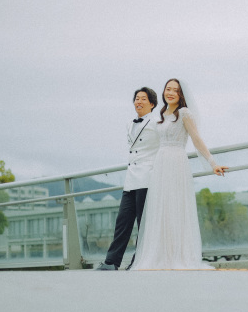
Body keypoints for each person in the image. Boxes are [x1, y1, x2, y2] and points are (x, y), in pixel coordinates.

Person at [130, 78, 228, 270]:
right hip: (160, 164)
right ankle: (162, 255)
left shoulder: (184, 113)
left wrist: (212, 163)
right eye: (168, 89)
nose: (171, 93)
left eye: (175, 90)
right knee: (161, 208)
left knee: (175, 207)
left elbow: (196, 139)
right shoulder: (161, 114)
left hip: (176, 162)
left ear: (181, 94)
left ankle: (178, 255)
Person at [95, 87, 159, 270]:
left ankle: (138, 262)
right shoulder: (129, 124)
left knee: (143, 224)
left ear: (152, 104)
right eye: (136, 99)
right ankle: (111, 262)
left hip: (148, 178)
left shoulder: (157, 123)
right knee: (122, 222)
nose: (138, 102)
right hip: (131, 179)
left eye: (143, 99)